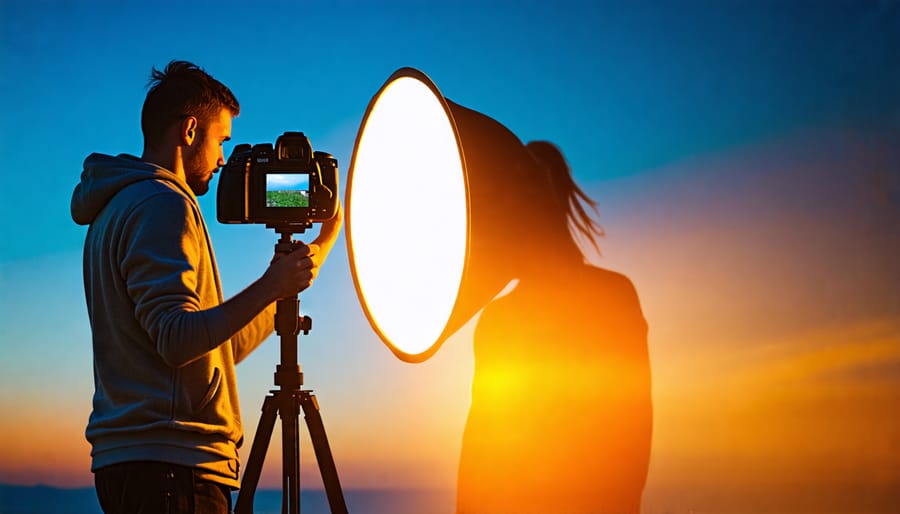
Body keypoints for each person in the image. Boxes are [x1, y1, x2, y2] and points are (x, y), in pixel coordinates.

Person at [70, 60, 342, 514]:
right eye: (220, 141)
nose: (221, 159)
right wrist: (268, 285)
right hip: (173, 468)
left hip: (138, 462)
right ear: (190, 131)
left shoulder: (113, 208)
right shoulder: (162, 204)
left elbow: (216, 350)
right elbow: (177, 339)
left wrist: (303, 262)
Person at [456, 141, 652, 514]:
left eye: (526, 191)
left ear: (552, 201)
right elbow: (481, 441)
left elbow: (631, 435)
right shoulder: (501, 318)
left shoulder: (612, 297)